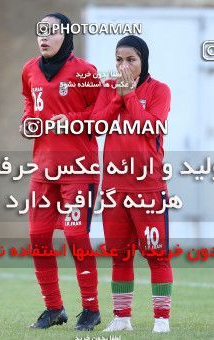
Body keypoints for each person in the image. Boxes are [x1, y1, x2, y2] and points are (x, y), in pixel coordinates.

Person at [19, 12, 101, 331]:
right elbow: (30, 101)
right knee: (38, 237)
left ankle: (91, 310)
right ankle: (54, 309)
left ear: (65, 36)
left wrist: (73, 119)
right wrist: (29, 121)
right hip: (43, 170)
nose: (44, 37)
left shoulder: (85, 72)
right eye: (40, 31)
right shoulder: (28, 69)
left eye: (51, 32)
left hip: (78, 170)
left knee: (75, 235)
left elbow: (104, 114)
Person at [91, 35, 172, 333]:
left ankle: (161, 320)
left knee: (156, 253)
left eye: (130, 60)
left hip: (148, 188)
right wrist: (118, 96)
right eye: (119, 60)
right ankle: (121, 318)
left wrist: (129, 96)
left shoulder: (159, 90)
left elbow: (150, 126)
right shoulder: (108, 89)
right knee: (120, 254)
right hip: (114, 188)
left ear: (143, 61)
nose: (123, 66)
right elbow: (96, 124)